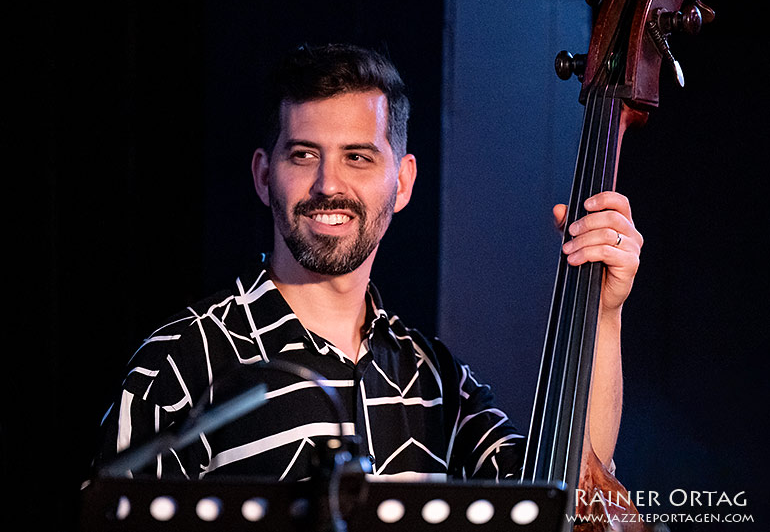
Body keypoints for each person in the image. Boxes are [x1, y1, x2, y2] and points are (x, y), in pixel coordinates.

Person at [94, 43, 642, 482]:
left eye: (358, 157)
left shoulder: (437, 378)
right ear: (264, 175)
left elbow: (570, 494)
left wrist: (604, 312)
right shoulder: (179, 364)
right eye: (304, 154)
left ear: (401, 183)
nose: (328, 184)